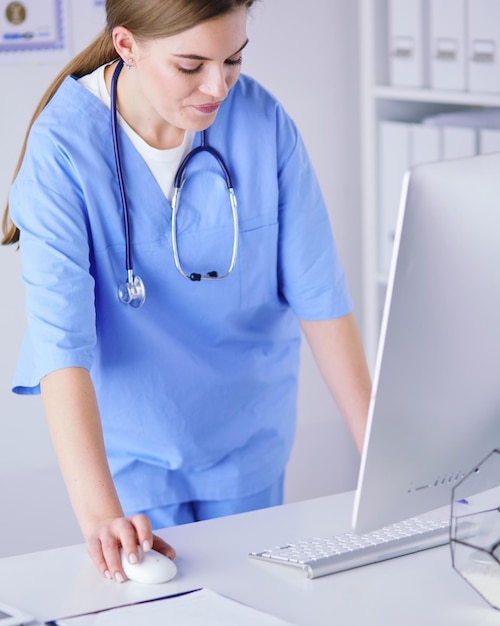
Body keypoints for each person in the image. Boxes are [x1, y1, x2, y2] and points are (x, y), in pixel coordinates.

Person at [1, 0, 371, 583]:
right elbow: (59, 345)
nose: (217, 86)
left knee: (259, 598)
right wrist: (102, 516)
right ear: (126, 45)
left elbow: (319, 295)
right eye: (191, 65)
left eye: (233, 59)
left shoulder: (261, 122)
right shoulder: (64, 151)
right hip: (134, 452)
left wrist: (385, 461)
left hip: (248, 435)